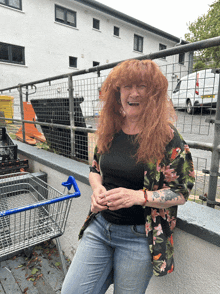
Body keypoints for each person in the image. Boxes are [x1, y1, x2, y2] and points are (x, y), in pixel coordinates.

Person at [61, 59, 195, 294]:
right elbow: (95, 170)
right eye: (126, 86)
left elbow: (181, 192)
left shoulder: (168, 137)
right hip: (100, 226)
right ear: (118, 91)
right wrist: (97, 190)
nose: (133, 93)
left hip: (139, 236)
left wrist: (138, 196)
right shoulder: (110, 127)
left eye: (142, 86)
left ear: (153, 93)